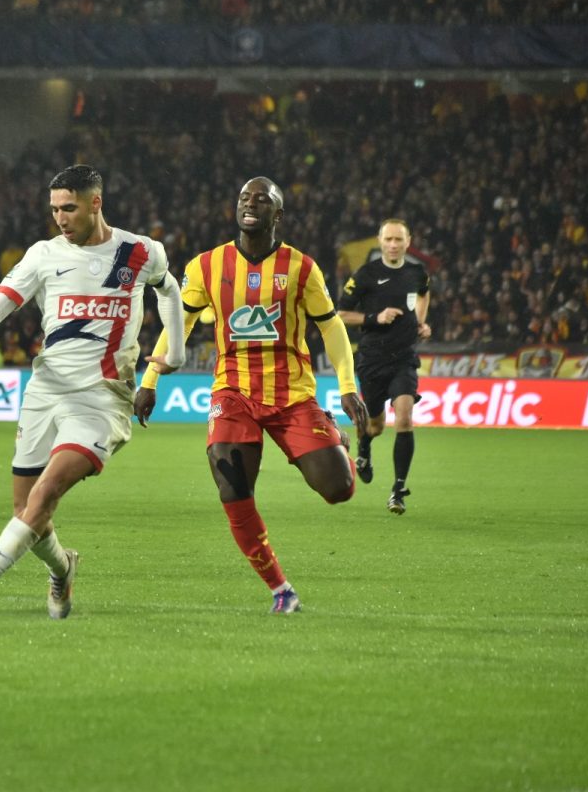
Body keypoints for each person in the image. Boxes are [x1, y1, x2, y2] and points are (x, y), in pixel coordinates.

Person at [0, 164, 186, 620]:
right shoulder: (43, 255)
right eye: (54, 208)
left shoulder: (139, 251)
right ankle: (63, 567)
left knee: (46, 491)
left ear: (96, 203)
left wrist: (175, 352)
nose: (60, 217)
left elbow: (170, 289)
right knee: (26, 507)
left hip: (102, 397)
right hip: (46, 390)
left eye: (69, 207)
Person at [135, 176, 368, 615]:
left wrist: (347, 387)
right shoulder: (207, 266)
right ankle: (281, 589)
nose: (251, 204)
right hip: (233, 391)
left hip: (292, 395)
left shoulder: (301, 268)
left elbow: (331, 326)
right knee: (232, 485)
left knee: (338, 490)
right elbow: (179, 323)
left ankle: (334, 441)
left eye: (262, 200)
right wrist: (150, 380)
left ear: (277, 215)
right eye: (245, 198)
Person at [336, 218, 431, 514]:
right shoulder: (366, 274)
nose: (393, 245)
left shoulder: (417, 273)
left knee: (404, 418)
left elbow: (424, 293)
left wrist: (421, 322)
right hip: (372, 359)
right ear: (380, 241)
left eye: (398, 240)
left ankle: (398, 489)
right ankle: (364, 448)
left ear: (408, 241)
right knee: (375, 425)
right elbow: (340, 313)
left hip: (404, 358)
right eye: (388, 239)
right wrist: (373, 318)